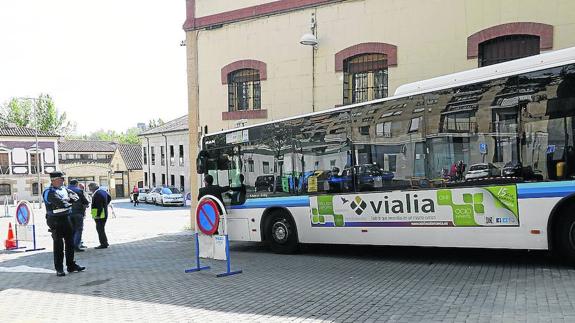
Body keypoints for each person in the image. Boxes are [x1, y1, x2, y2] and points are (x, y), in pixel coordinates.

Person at [43, 171, 86, 277]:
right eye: (61, 179)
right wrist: (67, 201)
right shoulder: (49, 191)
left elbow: (76, 198)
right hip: (55, 220)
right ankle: (59, 268)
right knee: (58, 245)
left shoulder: (64, 189)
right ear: (54, 180)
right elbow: (61, 204)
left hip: (66, 218)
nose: (63, 180)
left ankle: (71, 265)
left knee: (70, 243)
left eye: (63, 179)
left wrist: (67, 201)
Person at [67, 179, 90, 252]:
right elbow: (85, 202)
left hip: (67, 213)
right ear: (76, 184)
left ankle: (70, 246)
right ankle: (76, 246)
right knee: (78, 229)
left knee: (71, 230)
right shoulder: (79, 191)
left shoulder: (64, 190)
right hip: (78, 213)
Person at [89, 183, 112, 249]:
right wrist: (105, 205)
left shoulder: (97, 194)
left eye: (90, 188)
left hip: (99, 214)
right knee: (101, 229)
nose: (90, 190)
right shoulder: (103, 191)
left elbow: (99, 206)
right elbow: (109, 197)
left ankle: (103, 243)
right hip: (103, 212)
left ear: (93, 188)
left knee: (100, 229)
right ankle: (105, 242)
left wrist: (97, 215)